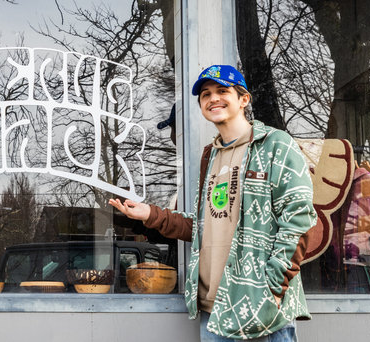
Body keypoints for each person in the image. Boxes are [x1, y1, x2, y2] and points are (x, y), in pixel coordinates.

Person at [110, 65, 316, 341]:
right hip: (214, 312)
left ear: (243, 99)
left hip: (261, 310)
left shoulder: (276, 145)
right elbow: (202, 227)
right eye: (205, 94)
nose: (213, 98)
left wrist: (273, 288)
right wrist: (150, 213)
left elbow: (299, 221)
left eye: (222, 90)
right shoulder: (211, 156)